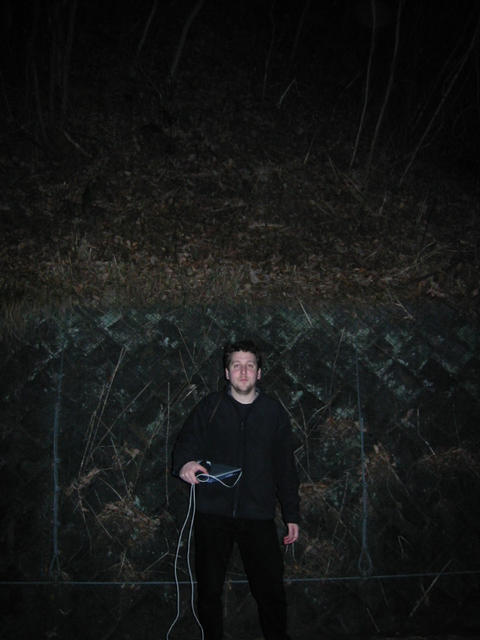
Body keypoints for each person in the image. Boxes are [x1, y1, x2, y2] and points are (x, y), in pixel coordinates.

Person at [172, 339, 300, 640]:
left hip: (258, 515)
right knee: (209, 591)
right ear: (227, 373)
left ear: (259, 373)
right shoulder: (210, 407)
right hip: (212, 513)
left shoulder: (273, 413)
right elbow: (186, 442)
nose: (243, 371)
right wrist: (186, 464)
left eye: (250, 365)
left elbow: (285, 467)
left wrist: (292, 512)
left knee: (270, 591)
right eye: (236, 365)